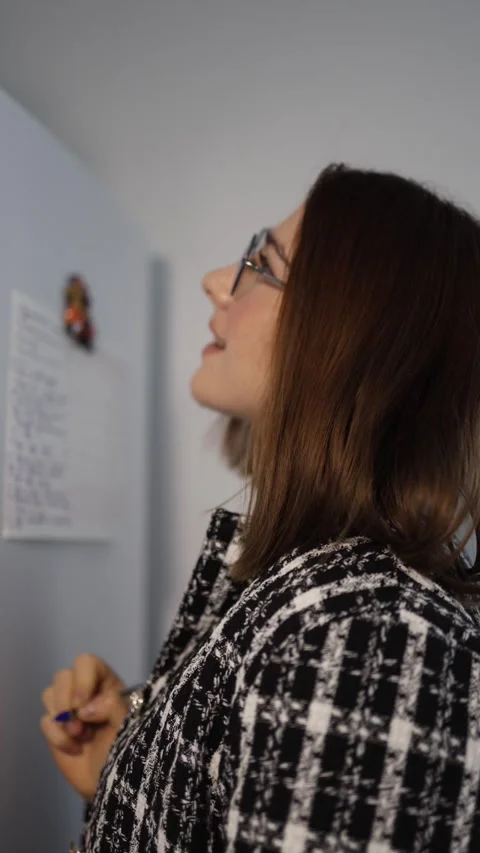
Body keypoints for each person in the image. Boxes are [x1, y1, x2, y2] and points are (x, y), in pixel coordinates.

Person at [41, 164, 480, 852]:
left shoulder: (366, 636)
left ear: (349, 333)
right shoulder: (311, 591)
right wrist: (126, 771)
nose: (218, 280)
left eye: (260, 264)